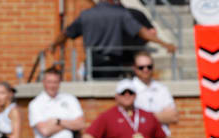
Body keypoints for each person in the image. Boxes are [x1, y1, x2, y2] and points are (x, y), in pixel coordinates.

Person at [47, 0, 176, 79]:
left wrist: (54, 45)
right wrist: (164, 44)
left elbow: (65, 33)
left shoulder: (86, 14)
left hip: (92, 63)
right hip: (113, 64)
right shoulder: (120, 14)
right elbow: (143, 32)